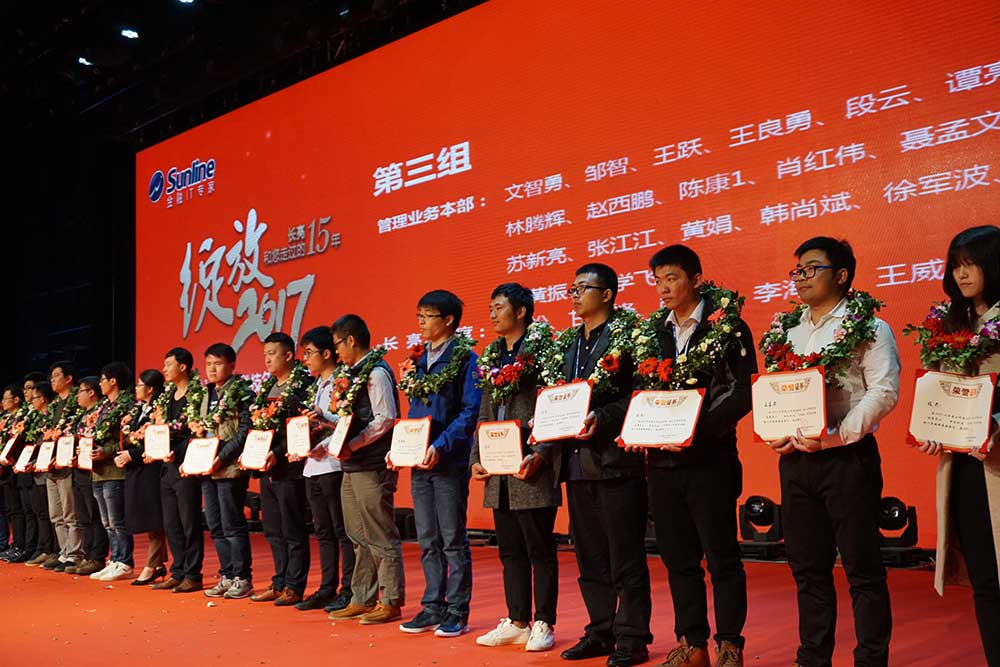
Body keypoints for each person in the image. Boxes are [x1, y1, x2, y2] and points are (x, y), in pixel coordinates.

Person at [762, 237, 899, 667]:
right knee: (807, 568)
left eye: (811, 268)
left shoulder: (869, 326)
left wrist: (838, 436)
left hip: (847, 458)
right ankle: (812, 657)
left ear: (841, 275)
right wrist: (776, 433)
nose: (801, 277)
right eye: (797, 270)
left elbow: (884, 391)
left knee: (861, 568)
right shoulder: (787, 330)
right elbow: (778, 393)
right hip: (796, 460)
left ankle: (870, 659)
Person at [626, 246, 755, 667]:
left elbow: (740, 393)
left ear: (696, 279)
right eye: (658, 280)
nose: (663, 288)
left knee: (721, 557)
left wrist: (694, 431)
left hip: (709, 461)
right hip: (662, 465)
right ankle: (692, 643)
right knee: (678, 559)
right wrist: (637, 429)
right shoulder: (653, 332)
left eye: (672, 278)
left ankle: (730, 644)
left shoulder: (727, 326)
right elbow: (642, 392)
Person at [553, 264, 652, 667]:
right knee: (590, 556)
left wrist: (604, 417)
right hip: (577, 464)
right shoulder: (569, 344)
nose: (575, 295)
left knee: (625, 555)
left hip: (615, 463)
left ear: (608, 294)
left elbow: (641, 394)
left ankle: (633, 637)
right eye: (572, 289)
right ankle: (600, 631)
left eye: (583, 288)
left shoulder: (629, 338)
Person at [912, 225, 1000, 666]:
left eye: (971, 264)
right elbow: (937, 389)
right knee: (985, 578)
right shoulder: (948, 322)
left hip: (997, 461)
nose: (961, 275)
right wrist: (931, 427)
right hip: (965, 467)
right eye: (955, 266)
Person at [470, 283, 560, 652]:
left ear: (521, 311)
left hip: (530, 464)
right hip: (498, 466)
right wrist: (477, 457)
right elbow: (484, 412)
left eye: (499, 307)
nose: (492, 314)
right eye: (490, 307)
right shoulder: (492, 353)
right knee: (509, 550)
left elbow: (556, 406)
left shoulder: (543, 350)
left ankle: (544, 622)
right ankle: (518, 620)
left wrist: (542, 452)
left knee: (540, 549)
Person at [395, 290, 482, 638]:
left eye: (428, 316)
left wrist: (440, 445)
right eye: (419, 315)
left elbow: (470, 411)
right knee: (427, 538)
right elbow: (415, 413)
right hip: (419, 462)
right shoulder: (417, 360)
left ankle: (457, 610)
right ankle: (432, 606)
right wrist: (401, 448)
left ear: (448, 320)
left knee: (452, 539)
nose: (421, 322)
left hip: (448, 462)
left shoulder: (465, 359)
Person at [327, 314, 406, 626]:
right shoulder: (350, 374)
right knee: (357, 534)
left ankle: (390, 599)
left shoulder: (376, 372)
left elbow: (385, 418)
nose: (336, 353)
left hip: (371, 463)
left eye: (337, 345)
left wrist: (354, 443)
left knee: (379, 533)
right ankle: (362, 597)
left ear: (351, 340)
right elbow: (350, 419)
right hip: (351, 463)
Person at [245, 332, 312, 606]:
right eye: (264, 354)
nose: (267, 359)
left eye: (272, 353)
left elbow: (301, 429)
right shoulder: (268, 388)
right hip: (268, 468)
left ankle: (294, 586)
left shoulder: (302, 385)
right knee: (273, 528)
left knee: (293, 527)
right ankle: (279, 581)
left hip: (290, 467)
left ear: (289, 355)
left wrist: (277, 452)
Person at [294, 326, 355, 613]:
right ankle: (327, 587)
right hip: (313, 466)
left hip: (333, 464)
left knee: (342, 530)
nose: (305, 359)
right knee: (322, 531)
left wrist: (324, 439)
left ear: (327, 353)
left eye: (309, 353)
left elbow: (347, 423)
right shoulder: (317, 384)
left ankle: (348, 589)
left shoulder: (343, 382)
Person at [190, 343, 254, 600]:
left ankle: (242, 578)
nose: (212, 369)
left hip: (229, 469)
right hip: (207, 468)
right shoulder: (206, 394)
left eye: (217, 363)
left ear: (232, 365)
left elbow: (244, 431)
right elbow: (202, 430)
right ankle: (226, 575)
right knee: (215, 524)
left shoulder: (242, 392)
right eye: (208, 364)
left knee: (232, 523)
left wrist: (221, 457)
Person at [150, 348, 207, 592]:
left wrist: (178, 450)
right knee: (171, 523)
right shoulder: (167, 396)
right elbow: (160, 430)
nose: (164, 369)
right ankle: (178, 570)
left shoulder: (197, 394)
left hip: (186, 466)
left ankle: (193, 574)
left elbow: (198, 432)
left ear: (182, 367)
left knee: (189, 522)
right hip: (167, 467)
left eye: (168, 364)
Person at [114, 369, 169, 585]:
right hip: (136, 469)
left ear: (150, 388)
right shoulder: (139, 409)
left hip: (151, 467)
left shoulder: (159, 409)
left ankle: (151, 565)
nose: (136, 388)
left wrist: (132, 454)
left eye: (139, 385)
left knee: (154, 518)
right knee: (147, 518)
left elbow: (157, 440)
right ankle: (157, 564)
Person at [87, 363, 136, 582]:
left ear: (113, 381)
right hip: (98, 471)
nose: (100, 383)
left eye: (102, 379)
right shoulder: (103, 407)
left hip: (115, 471)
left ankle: (125, 562)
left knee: (117, 521)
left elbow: (128, 439)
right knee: (107, 522)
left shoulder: (127, 405)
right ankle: (115, 559)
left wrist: (105, 452)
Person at [63, 376, 110, 577]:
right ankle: (88, 554)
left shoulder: (101, 413)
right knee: (83, 516)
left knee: (95, 515)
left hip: (93, 470)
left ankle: (97, 557)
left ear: (91, 392)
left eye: (80, 391)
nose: (77, 396)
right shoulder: (81, 416)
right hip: (78, 468)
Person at [44, 362, 85, 571]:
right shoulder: (53, 406)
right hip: (51, 465)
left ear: (68, 378)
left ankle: (75, 554)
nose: (52, 380)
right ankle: (64, 552)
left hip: (68, 465)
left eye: (56, 375)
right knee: (56, 514)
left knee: (70, 513)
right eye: (51, 376)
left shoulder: (77, 401)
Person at [23, 381, 58, 567]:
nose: (32, 401)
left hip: (49, 470)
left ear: (43, 399)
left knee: (52, 514)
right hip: (37, 470)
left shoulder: (53, 417)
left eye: (35, 397)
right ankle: (46, 548)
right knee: (41, 512)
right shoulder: (37, 419)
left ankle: (55, 550)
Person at [0, 385, 25, 560]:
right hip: (4, 468)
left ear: (16, 399)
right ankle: (14, 544)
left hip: (16, 467)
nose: (3, 402)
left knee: (18, 509)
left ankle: (20, 545)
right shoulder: (4, 419)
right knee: (10, 510)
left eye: (6, 398)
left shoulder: (22, 419)